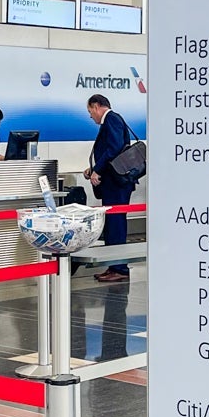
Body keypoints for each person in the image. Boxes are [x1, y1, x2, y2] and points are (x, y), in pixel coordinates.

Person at [84, 93, 137, 283]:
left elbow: (114, 148)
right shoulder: (113, 121)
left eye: (91, 111)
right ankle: (114, 264)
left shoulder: (112, 119)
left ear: (97, 106)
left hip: (117, 184)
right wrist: (93, 169)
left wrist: (98, 170)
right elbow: (111, 151)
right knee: (113, 224)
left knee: (116, 224)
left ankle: (119, 267)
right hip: (114, 182)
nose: (91, 116)